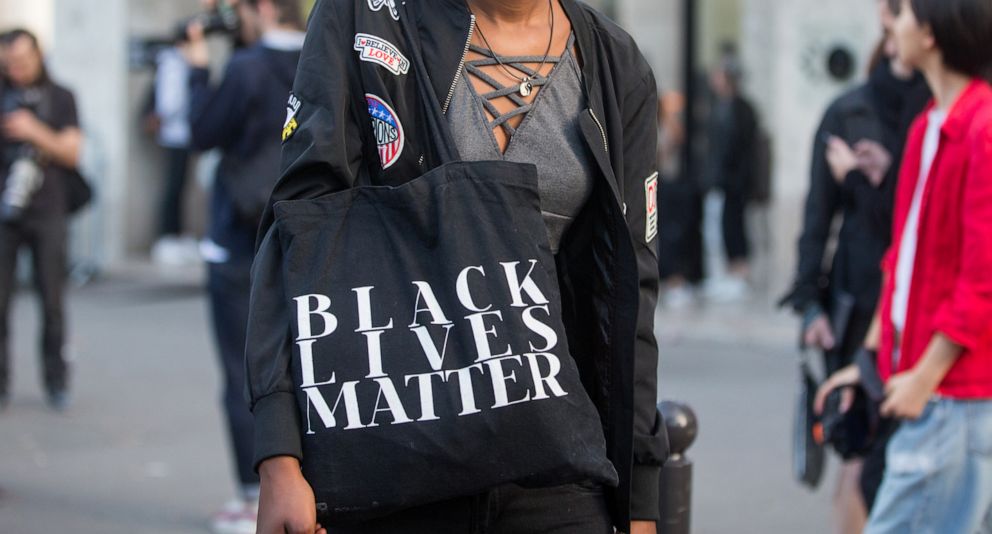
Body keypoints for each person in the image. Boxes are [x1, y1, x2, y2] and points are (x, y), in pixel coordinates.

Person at [245, 0, 668, 533]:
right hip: (397, 450)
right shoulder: (365, 18)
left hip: (556, 466)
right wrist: (278, 457)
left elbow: (632, 288)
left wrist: (641, 498)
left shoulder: (614, 62)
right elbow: (299, 234)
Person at [816, 0, 992, 532]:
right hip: (919, 386)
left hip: (950, 397)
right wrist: (870, 357)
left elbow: (981, 282)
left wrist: (923, 378)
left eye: (905, 13)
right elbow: (903, 260)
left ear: (933, 32)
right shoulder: (926, 128)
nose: (892, 22)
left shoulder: (982, 130)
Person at [781, 0, 930, 529]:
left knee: (911, 446)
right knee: (857, 445)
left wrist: (867, 181)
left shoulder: (943, 112)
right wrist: (808, 304)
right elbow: (816, 220)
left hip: (919, 304)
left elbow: (922, 221)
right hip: (858, 296)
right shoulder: (847, 110)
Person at [183, 0, 305, 532]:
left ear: (261, 8)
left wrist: (194, 68)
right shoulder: (327, 58)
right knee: (308, 369)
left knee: (243, 371)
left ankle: (253, 493)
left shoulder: (246, 67)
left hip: (240, 240)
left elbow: (202, 131)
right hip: (307, 237)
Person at [0, 29, 83, 412]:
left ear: (38, 55)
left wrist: (33, 130)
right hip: (5, 214)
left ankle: (56, 381)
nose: (17, 69)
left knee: (52, 301)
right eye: (9, 62)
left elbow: (72, 152)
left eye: (23, 59)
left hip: (49, 210)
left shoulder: (60, 97)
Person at [703, 49, 758, 301]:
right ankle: (729, 273)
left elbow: (739, 148)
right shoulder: (720, 107)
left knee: (734, 225)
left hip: (736, 181)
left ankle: (739, 273)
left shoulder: (741, 109)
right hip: (724, 180)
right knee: (722, 226)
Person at [148, 42, 200, 267]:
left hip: (181, 134)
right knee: (174, 186)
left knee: (179, 187)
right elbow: (171, 101)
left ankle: (176, 234)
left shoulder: (175, 62)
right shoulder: (173, 63)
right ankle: (169, 235)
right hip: (176, 133)